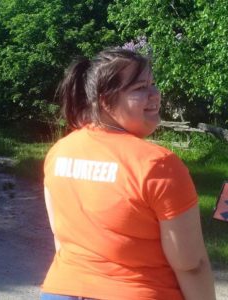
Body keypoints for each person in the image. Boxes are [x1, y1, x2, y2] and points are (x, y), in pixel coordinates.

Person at [41, 48, 216, 300]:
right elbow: (191, 264)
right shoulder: (158, 165)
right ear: (104, 100)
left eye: (153, 84)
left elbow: (61, 237)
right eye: (140, 88)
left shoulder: (59, 152)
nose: (155, 94)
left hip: (59, 292)